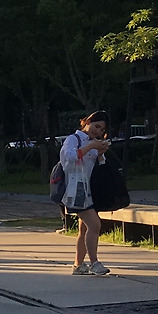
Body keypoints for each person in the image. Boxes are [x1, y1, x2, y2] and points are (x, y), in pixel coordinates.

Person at [61, 110, 112, 276]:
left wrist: (100, 153)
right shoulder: (73, 139)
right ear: (87, 122)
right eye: (96, 126)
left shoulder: (93, 143)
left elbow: (100, 166)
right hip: (75, 189)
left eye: (102, 130)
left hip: (88, 189)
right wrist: (91, 146)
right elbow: (70, 157)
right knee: (95, 224)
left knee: (84, 229)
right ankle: (94, 263)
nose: (98, 131)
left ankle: (78, 265)